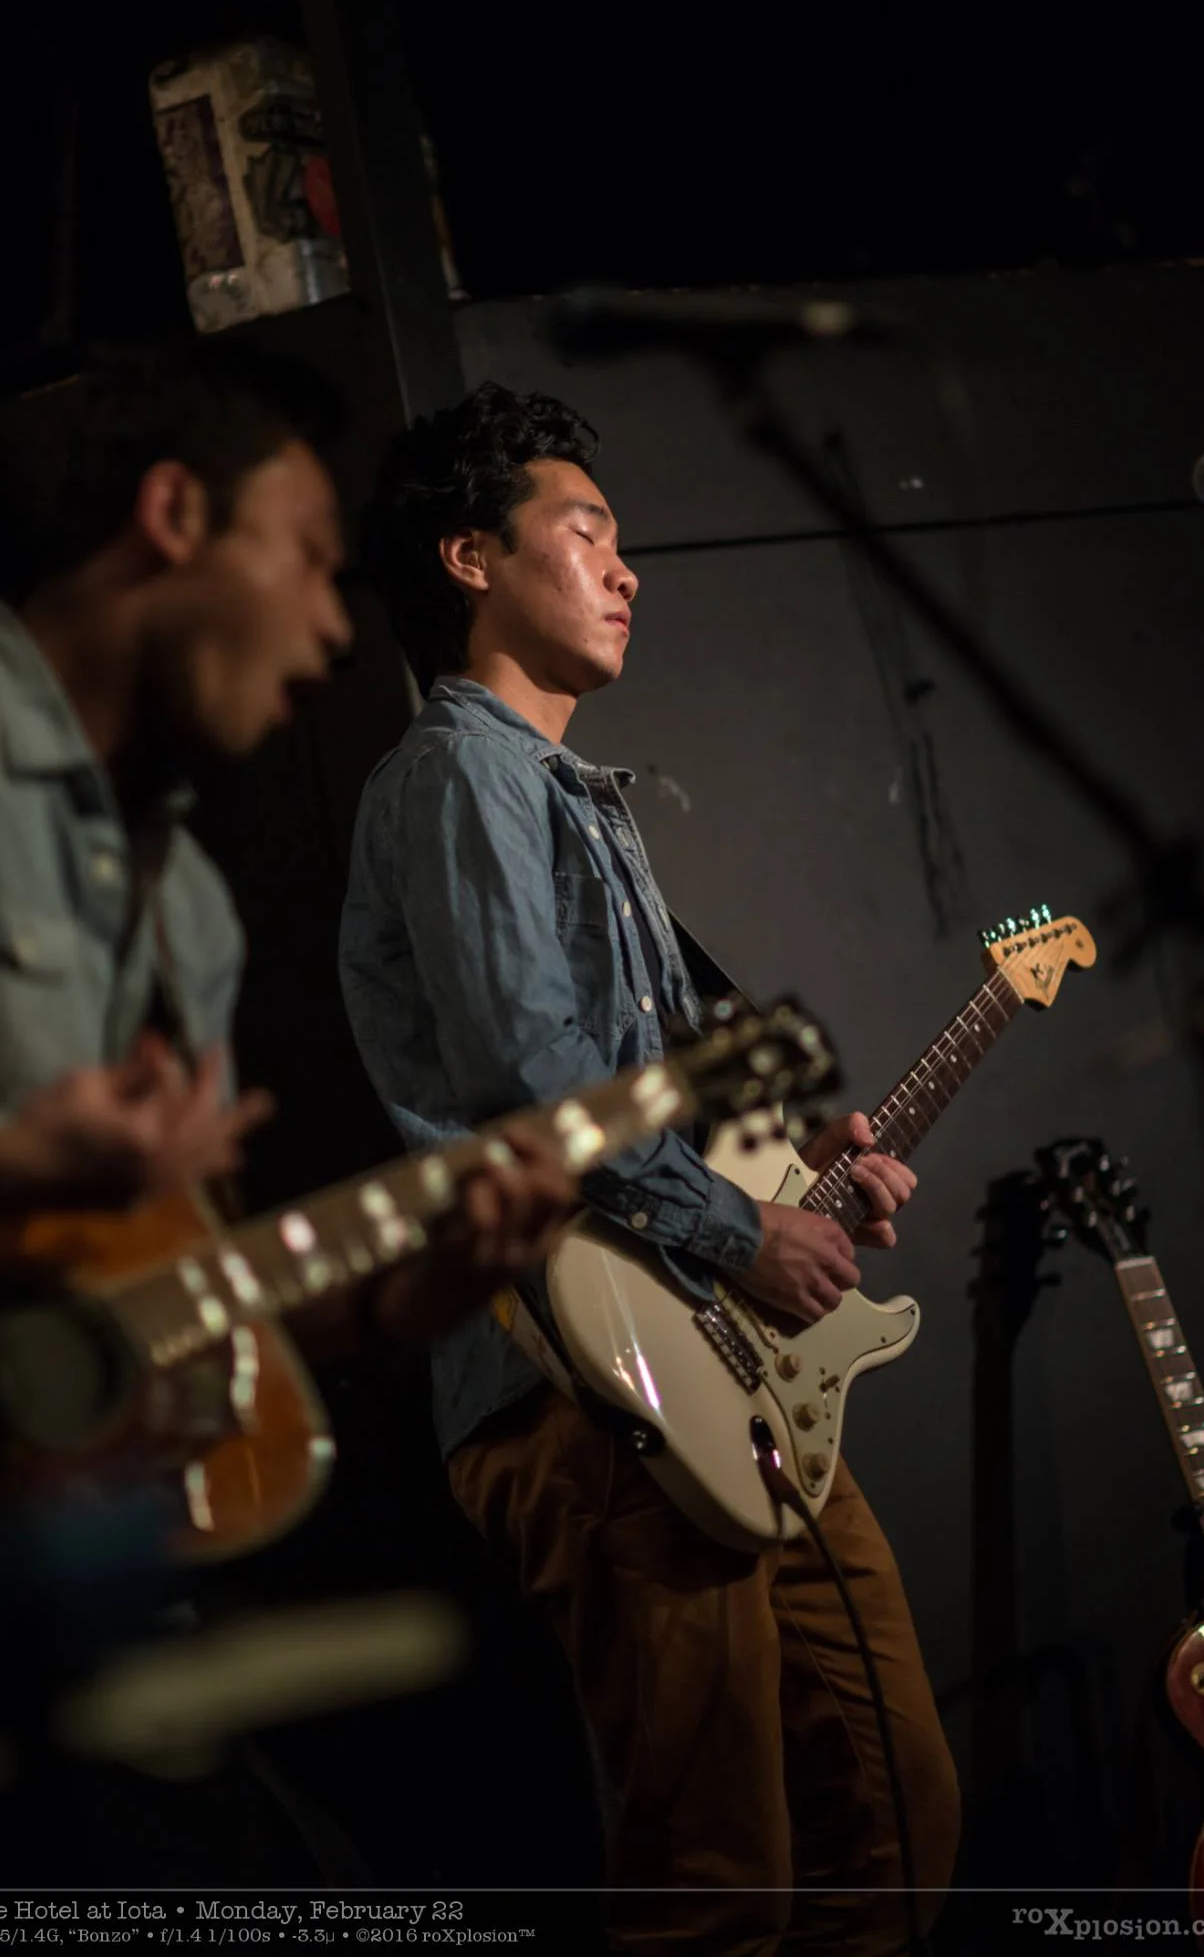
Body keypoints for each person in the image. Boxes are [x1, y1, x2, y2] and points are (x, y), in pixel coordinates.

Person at [339, 382, 961, 1954]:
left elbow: (640, 1095)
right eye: (588, 530)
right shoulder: (462, 773)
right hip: (588, 1390)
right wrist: (740, 1232)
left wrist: (794, 1166)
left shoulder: (578, 804)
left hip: (717, 1371)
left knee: (894, 1810)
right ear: (472, 557)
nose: (627, 568)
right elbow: (526, 1078)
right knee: (713, 1875)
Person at [0, 344, 574, 1343]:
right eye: (308, 558)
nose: (334, 628)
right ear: (175, 513)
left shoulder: (189, 912)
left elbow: (182, 1295)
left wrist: (411, 1296)